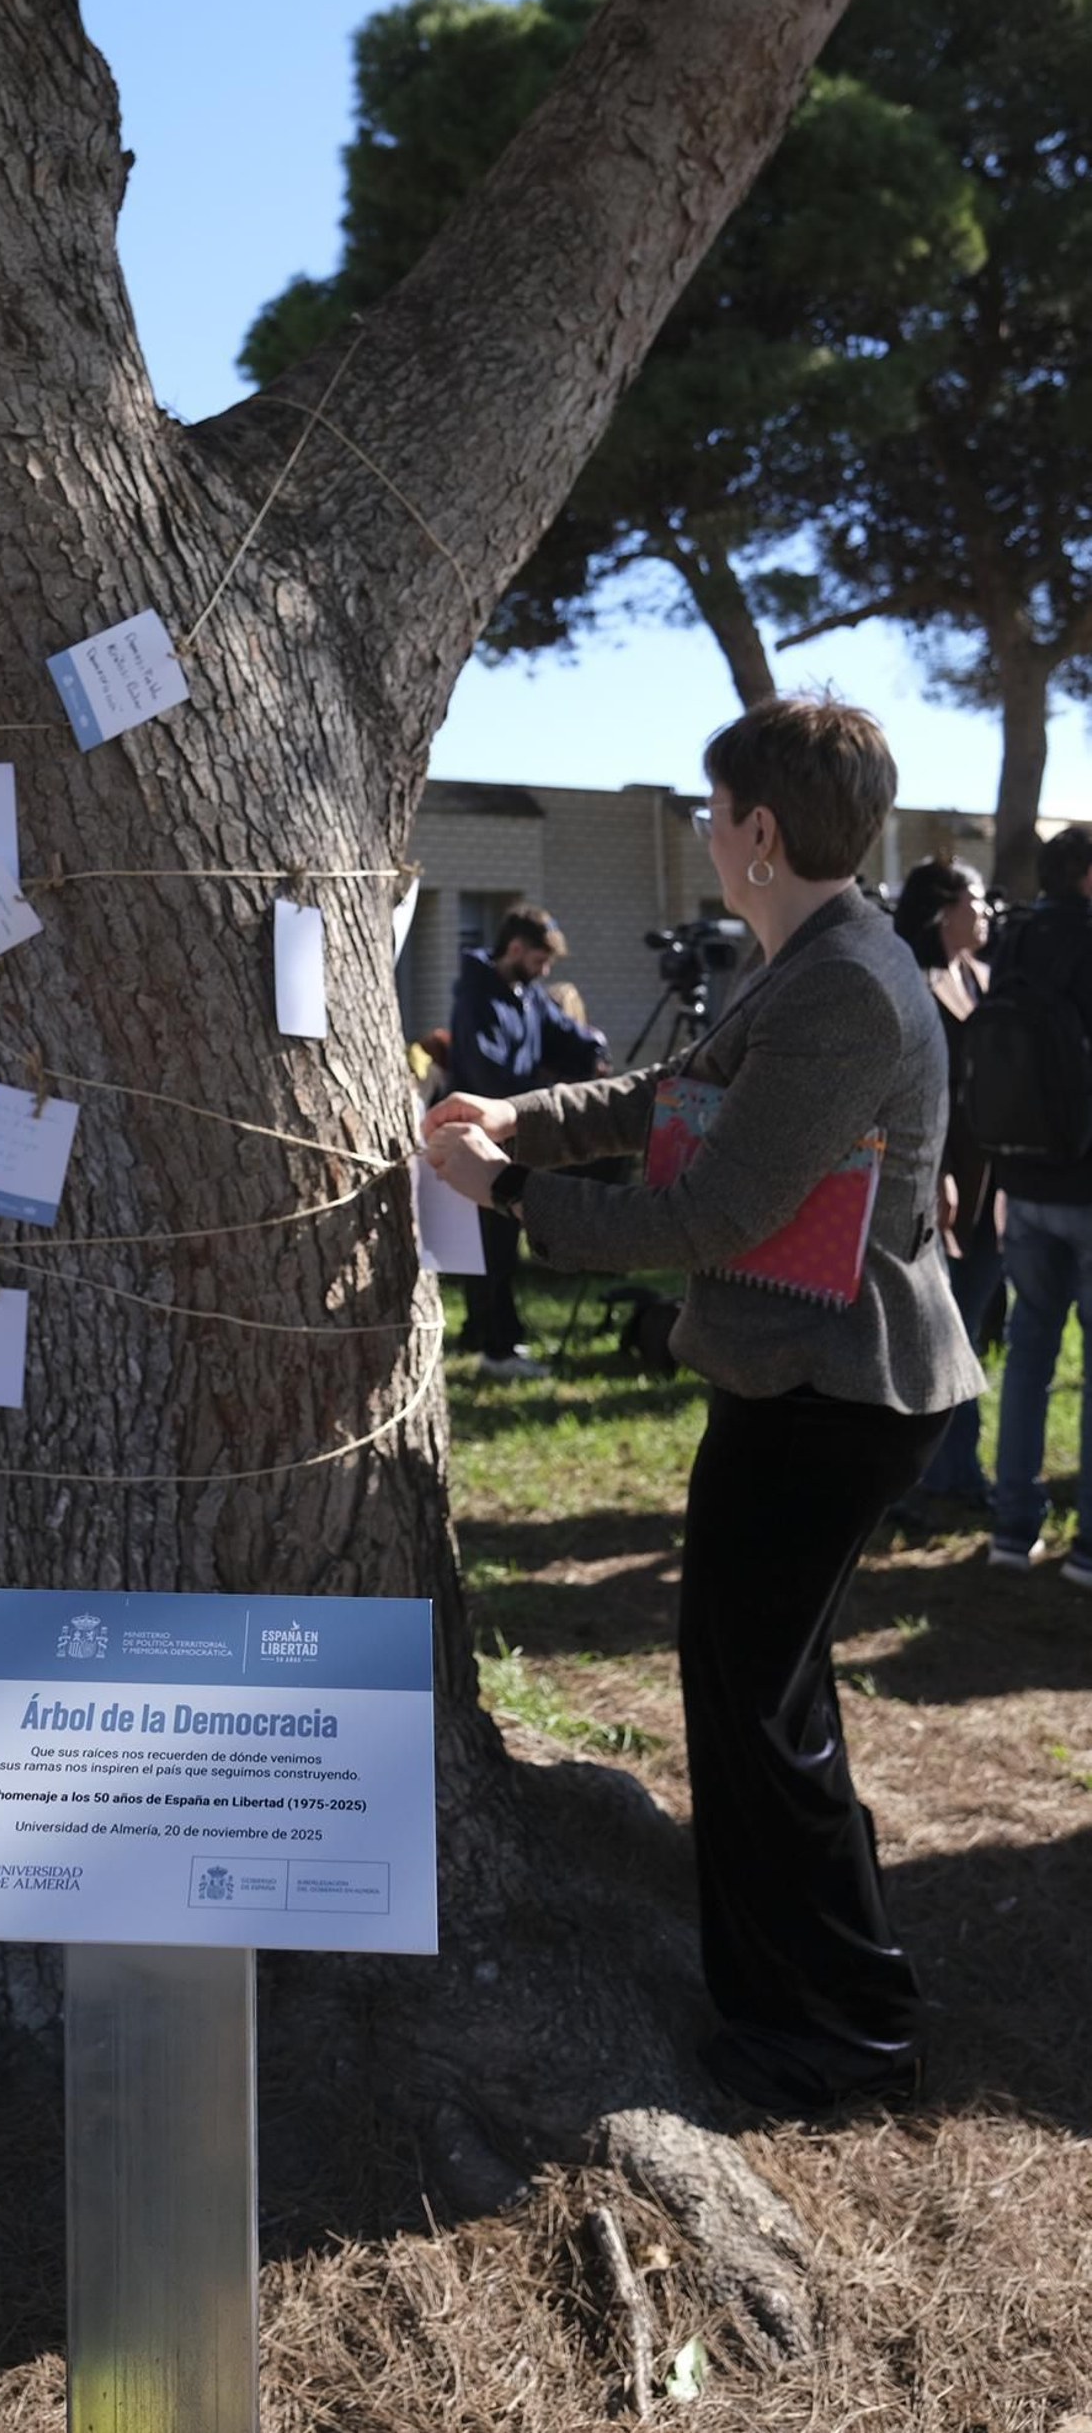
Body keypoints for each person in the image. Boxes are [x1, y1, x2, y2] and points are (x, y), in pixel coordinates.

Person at [424, 696, 980, 2117]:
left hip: (832, 1394)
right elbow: (674, 1096)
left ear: (759, 831)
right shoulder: (823, 955)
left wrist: (508, 1195)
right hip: (807, 1386)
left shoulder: (848, 982)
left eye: (709, 810)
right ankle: (825, 2001)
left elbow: (712, 1209)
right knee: (762, 1701)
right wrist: (514, 1121)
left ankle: (835, 2034)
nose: (702, 831)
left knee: (757, 1712)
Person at [987, 825, 1092, 1584]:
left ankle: (1011, 1527)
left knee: (1028, 1354)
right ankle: (1089, 1547)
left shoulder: (1014, 939)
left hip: (1022, 1178)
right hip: (1089, 1183)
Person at [447, 905, 606, 1376]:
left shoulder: (527, 996)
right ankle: (495, 1346)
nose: (544, 971)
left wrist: (593, 1052)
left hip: (514, 1138)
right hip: (481, 1140)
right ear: (514, 948)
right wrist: (543, 1088)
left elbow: (568, 1038)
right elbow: (487, 1075)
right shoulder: (476, 999)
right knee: (491, 1247)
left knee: (501, 1245)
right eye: (539, 960)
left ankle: (490, 1335)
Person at [889, 857, 1001, 1516]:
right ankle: (920, 1479)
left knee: (969, 1333)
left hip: (991, 1183)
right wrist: (933, 1175)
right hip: (934, 1185)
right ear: (940, 910)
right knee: (933, 1336)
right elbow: (909, 1095)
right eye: (975, 901)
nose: (985, 912)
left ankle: (958, 1471)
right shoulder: (911, 981)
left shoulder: (982, 976)